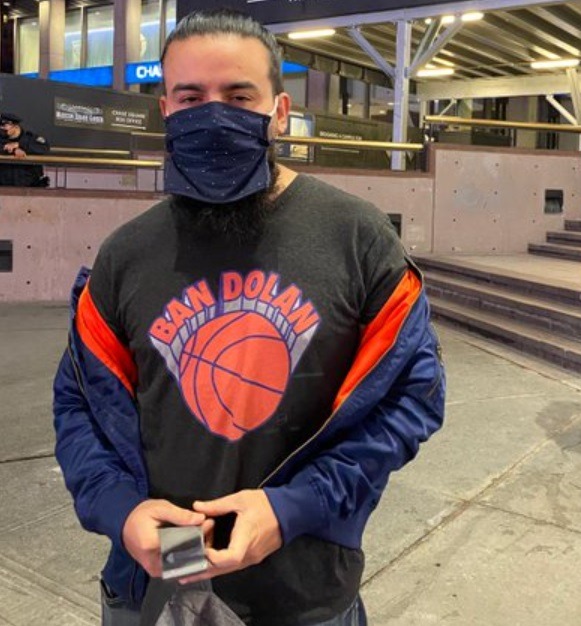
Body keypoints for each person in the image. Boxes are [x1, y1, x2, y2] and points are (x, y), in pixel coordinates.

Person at [52, 9, 445, 626]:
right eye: (191, 96)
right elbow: (77, 405)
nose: (214, 112)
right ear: (166, 112)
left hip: (303, 582)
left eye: (238, 95)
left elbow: (412, 399)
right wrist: (120, 509)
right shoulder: (126, 254)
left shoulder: (355, 236)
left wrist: (291, 508)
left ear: (280, 111)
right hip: (157, 577)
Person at [0, 112, 51, 187]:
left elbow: (44, 147)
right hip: (5, 188)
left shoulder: (30, 138)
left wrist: (20, 145)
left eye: (4, 125)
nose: (1, 128)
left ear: (16, 126)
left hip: (29, 188)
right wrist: (14, 151)